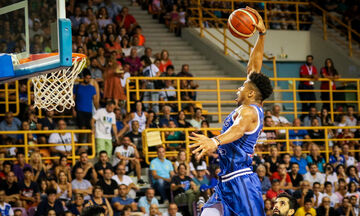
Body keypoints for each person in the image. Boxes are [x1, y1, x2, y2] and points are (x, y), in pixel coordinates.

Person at [190, 7, 272, 216]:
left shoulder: (249, 113)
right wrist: (261, 35)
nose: (239, 88)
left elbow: (237, 129)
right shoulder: (251, 103)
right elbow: (254, 66)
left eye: (242, 87)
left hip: (241, 182)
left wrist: (215, 141)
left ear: (252, 94)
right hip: (225, 182)